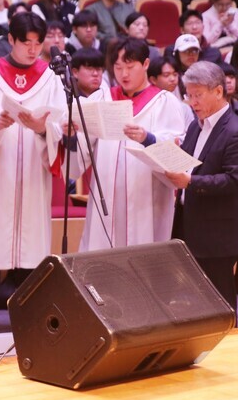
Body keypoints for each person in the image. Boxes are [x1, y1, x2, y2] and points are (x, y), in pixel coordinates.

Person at [0, 12, 68, 331]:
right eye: (27, 43)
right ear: (10, 40)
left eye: (39, 43)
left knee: (31, 243)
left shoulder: (50, 77)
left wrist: (42, 129)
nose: (34, 50)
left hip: (33, 175)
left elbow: (61, 123)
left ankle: (29, 313)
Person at [68, 38, 187, 252]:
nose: (123, 74)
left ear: (146, 64)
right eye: (118, 67)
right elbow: (84, 146)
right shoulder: (103, 97)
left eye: (130, 67)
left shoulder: (164, 102)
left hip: (146, 199)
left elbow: (177, 152)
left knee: (143, 258)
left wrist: (148, 138)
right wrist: (73, 132)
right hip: (106, 193)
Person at [166, 61, 238, 317]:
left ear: (218, 91)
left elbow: (234, 181)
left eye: (197, 95)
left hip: (218, 233)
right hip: (190, 225)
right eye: (189, 95)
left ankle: (230, 350)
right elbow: (187, 164)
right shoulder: (195, 125)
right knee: (196, 301)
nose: (192, 102)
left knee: (220, 301)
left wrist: (190, 182)